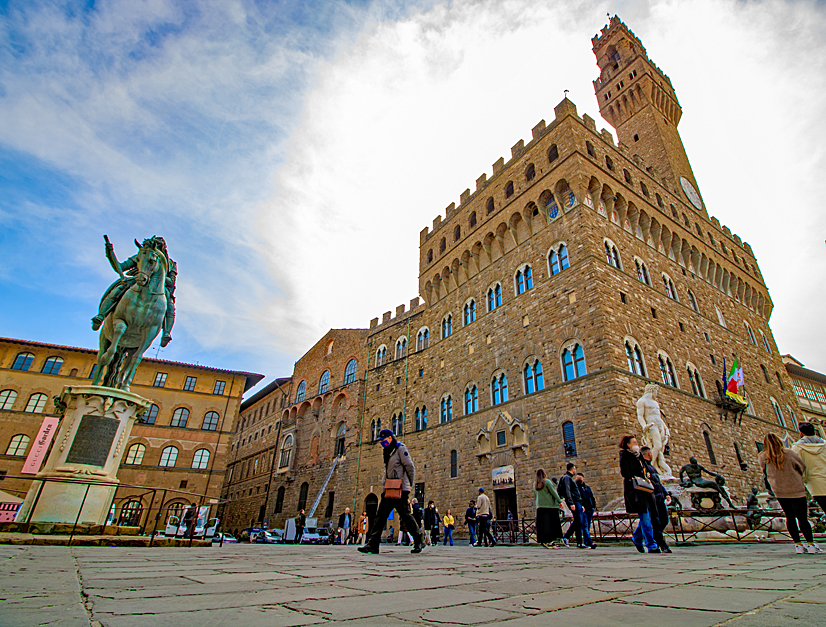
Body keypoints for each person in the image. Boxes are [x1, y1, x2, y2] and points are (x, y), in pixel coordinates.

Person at [358, 429, 424, 554]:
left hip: (400, 490)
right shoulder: (387, 452)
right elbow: (388, 471)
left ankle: (418, 540)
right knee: (380, 516)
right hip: (389, 489)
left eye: (383, 440)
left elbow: (410, 467)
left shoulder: (400, 449)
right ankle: (373, 544)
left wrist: (409, 485)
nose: (381, 443)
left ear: (389, 438)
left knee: (406, 516)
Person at [759, 432, 821, 554]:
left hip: (779, 490)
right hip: (796, 489)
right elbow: (801, 467)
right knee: (802, 518)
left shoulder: (763, 456)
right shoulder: (790, 453)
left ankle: (798, 545)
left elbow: (764, 471)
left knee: (790, 517)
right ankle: (811, 544)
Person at [619, 434, 659, 553]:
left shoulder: (639, 456)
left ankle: (637, 538)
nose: (637, 444)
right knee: (645, 517)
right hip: (636, 490)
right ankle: (651, 545)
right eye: (634, 442)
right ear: (628, 444)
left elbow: (645, 468)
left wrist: (646, 474)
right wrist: (639, 475)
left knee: (646, 517)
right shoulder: (625, 456)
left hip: (644, 489)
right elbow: (625, 473)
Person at [640, 447, 672, 553]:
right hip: (651, 498)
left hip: (659, 497)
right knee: (656, 522)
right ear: (649, 454)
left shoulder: (652, 467)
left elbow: (657, 482)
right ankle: (661, 543)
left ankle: (640, 537)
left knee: (664, 520)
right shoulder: (642, 466)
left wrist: (665, 493)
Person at [792, 422, 826, 517]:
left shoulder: (797, 447)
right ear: (814, 431)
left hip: (815, 483)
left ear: (801, 433)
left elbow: (797, 466)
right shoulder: (824, 444)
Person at [559, 463, 591, 548]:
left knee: (578, 521)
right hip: (574, 502)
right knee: (578, 521)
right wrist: (571, 503)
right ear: (573, 469)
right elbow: (567, 491)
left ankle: (578, 542)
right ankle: (567, 537)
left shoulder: (569, 478)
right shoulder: (567, 478)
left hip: (577, 502)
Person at [535, 468, 563, 548]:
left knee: (543, 526)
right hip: (549, 506)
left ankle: (544, 541)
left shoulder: (536, 484)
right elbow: (553, 492)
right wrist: (559, 501)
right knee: (551, 525)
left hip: (540, 507)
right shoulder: (547, 482)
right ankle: (551, 541)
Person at [575, 473, 597, 549]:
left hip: (589, 510)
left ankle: (586, 541)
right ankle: (589, 542)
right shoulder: (576, 489)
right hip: (582, 510)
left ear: (583, 479)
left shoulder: (587, 488)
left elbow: (591, 497)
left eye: (580, 478)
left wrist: (593, 506)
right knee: (585, 526)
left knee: (587, 526)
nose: (578, 479)